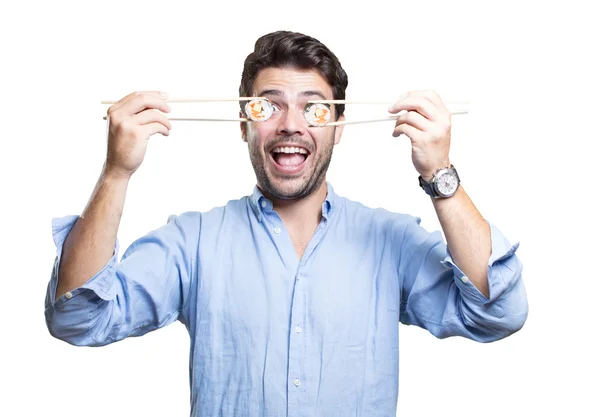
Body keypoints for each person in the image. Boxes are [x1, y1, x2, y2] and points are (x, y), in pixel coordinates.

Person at [45, 30, 528, 416]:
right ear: (243, 124)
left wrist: (438, 173)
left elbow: (497, 313)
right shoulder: (192, 243)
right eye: (268, 105)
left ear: (337, 128)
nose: (291, 125)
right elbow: (77, 318)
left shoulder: (391, 243)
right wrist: (116, 172)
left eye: (314, 108)